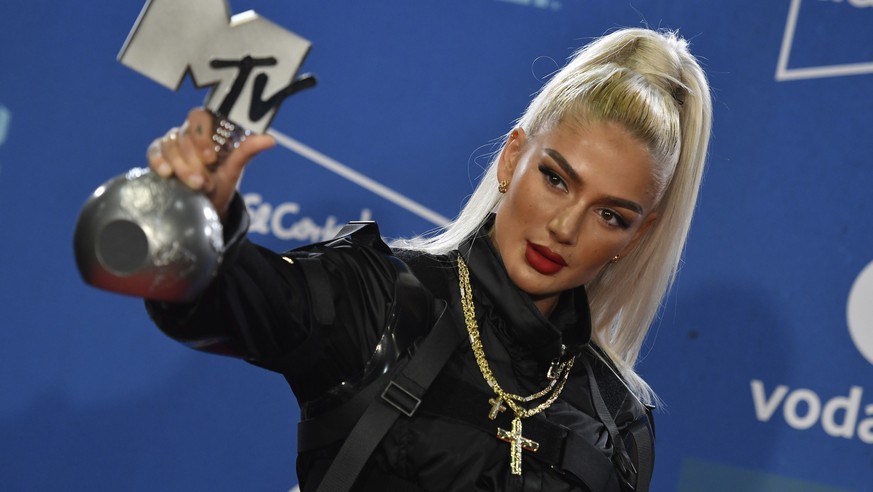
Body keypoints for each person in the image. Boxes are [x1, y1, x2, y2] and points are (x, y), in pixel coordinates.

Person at [144, 27, 712, 492]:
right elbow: (226, 297)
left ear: (638, 236)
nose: (565, 227)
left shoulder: (619, 423)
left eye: (611, 215)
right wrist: (195, 224)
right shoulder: (383, 298)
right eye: (556, 179)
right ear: (513, 158)